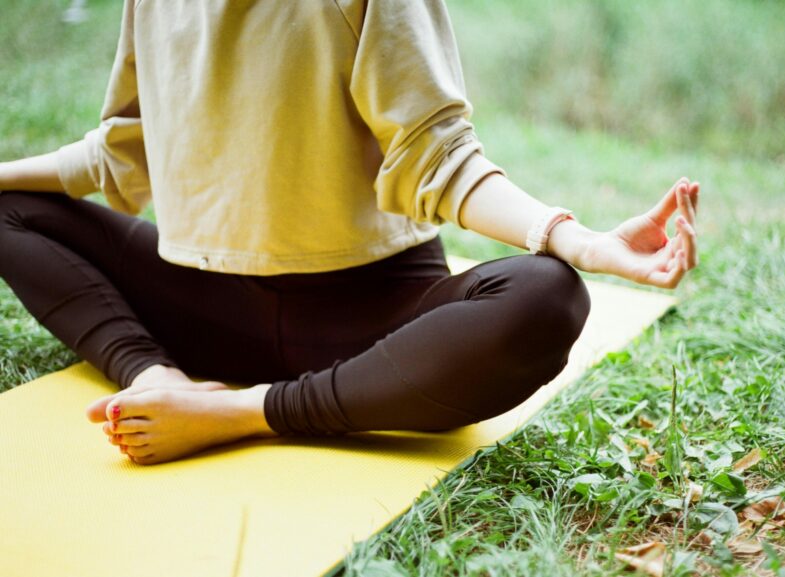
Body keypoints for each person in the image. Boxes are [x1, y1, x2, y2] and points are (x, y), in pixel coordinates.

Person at [0, 0, 699, 465]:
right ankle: (163, 384)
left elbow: (441, 157)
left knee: (547, 295)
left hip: (369, 322)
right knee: (8, 208)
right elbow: (125, 149)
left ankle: (243, 412)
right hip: (205, 304)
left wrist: (577, 241)